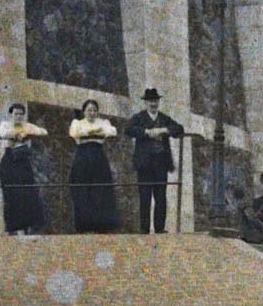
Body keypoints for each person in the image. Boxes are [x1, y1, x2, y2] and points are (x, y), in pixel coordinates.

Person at [124, 87, 184, 234]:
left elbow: (179, 129)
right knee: (145, 197)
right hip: (144, 164)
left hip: (161, 163)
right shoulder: (138, 118)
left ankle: (159, 228)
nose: (153, 104)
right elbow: (129, 130)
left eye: (155, 101)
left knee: (161, 197)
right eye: (150, 101)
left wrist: (164, 130)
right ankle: (144, 229)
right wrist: (146, 132)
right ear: (145, 103)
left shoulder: (164, 118)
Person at [68, 99, 119, 234]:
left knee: (100, 191)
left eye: (94, 110)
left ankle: (101, 225)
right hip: (82, 158)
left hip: (98, 158)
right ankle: (84, 225)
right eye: (89, 110)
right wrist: (96, 131)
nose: (92, 113)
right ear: (84, 111)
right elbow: (75, 133)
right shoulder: (77, 123)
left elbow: (111, 131)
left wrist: (92, 131)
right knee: (83, 190)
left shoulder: (103, 122)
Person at [0, 102, 48, 235]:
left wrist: (26, 132)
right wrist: (17, 134)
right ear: (11, 115)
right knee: (11, 194)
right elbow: (4, 133)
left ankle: (28, 225)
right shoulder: (5, 125)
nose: (18, 116)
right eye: (16, 114)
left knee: (27, 193)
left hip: (23, 161)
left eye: (21, 114)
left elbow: (43, 132)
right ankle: (13, 227)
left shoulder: (27, 126)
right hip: (9, 161)